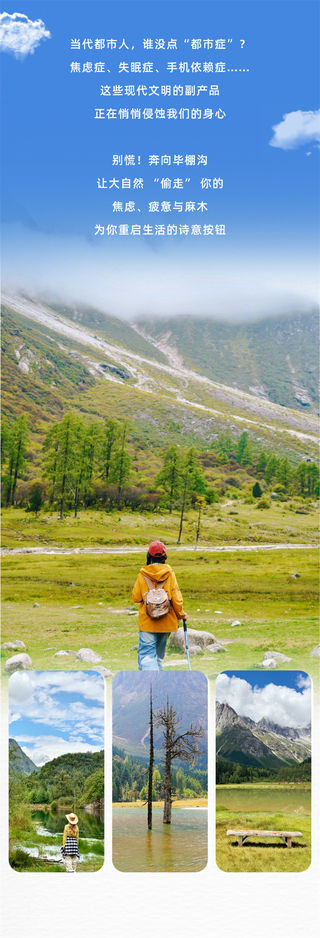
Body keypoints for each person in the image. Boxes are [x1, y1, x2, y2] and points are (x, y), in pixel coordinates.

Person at [132, 540, 187, 670]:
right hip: (166, 621)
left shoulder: (143, 574)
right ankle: (159, 685)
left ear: (149, 556)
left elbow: (136, 597)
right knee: (158, 656)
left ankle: (152, 685)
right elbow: (177, 599)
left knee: (147, 655)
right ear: (165, 557)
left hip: (147, 622)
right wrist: (182, 615)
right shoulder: (170, 573)